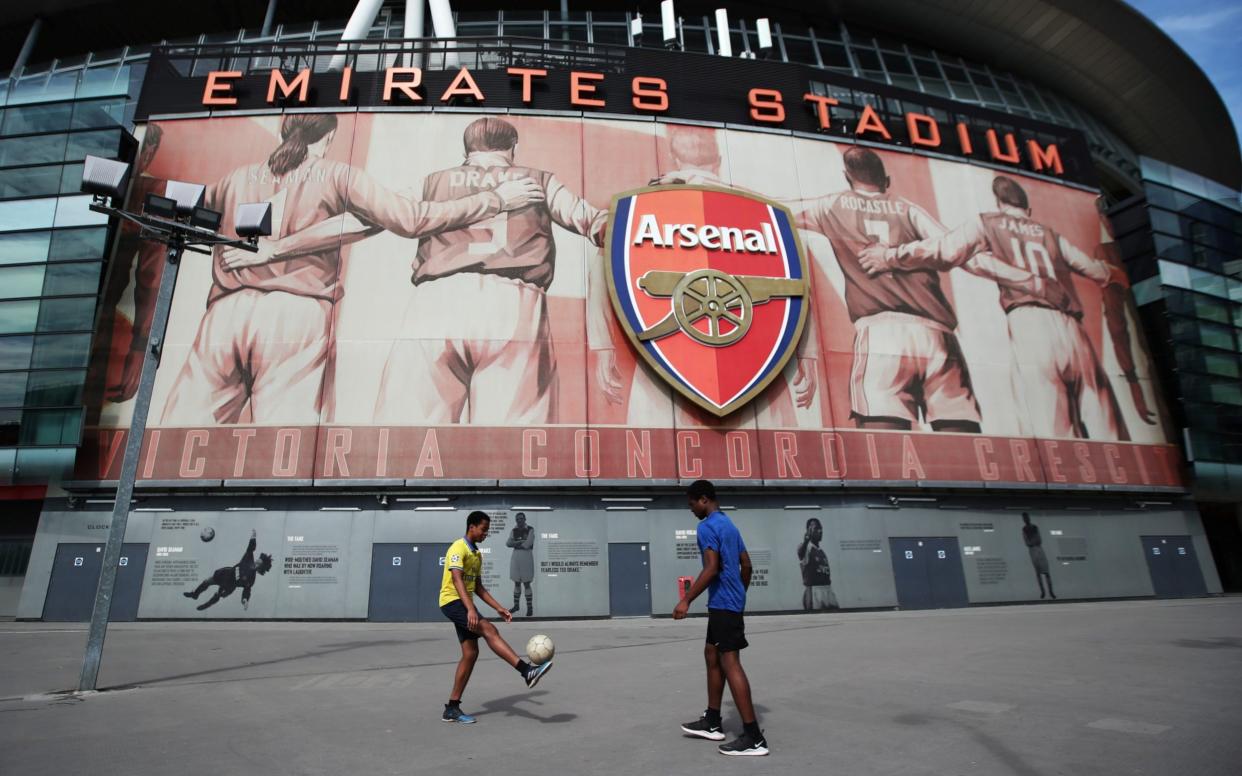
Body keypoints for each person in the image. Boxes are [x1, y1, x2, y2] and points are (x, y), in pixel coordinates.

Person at [159, 113, 544, 425]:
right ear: (328, 138)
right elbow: (410, 219)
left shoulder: (235, 178)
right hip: (297, 313)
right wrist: (493, 200)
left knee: (182, 438)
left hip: (224, 313)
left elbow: (184, 216)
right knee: (282, 444)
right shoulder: (339, 175)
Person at [859, 175, 1132, 440]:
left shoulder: (987, 222)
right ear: (1028, 208)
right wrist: (1119, 274)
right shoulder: (1048, 234)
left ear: (1000, 203)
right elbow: (1094, 269)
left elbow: (945, 250)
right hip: (1072, 326)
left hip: (1029, 322)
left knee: (1052, 425)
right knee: (1104, 418)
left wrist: (890, 255)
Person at [792, 147, 1046, 433]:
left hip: (883, 334)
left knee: (885, 445)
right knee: (961, 437)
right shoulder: (908, 209)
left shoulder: (831, 205)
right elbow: (967, 257)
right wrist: (1028, 280)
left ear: (847, 177)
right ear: (886, 181)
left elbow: (779, 210)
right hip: (938, 336)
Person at [374, 116, 608, 425]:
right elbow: (596, 223)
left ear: (467, 151)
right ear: (514, 148)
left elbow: (388, 212)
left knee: (406, 436)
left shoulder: (432, 181)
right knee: (511, 442)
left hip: (435, 301)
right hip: (514, 304)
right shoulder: (538, 180)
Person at [674, 479, 768, 756]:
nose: (691, 510)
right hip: (727, 603)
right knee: (711, 654)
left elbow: (712, 568)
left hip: (724, 604)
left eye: (692, 504)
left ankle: (754, 738)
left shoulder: (706, 526)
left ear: (703, 500)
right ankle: (713, 721)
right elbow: (747, 564)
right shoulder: (729, 524)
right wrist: (739, 594)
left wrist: (686, 599)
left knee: (731, 663)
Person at [439, 510, 553, 724]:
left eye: (487, 530)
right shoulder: (458, 547)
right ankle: (526, 671)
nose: (485, 534)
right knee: (490, 630)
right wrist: (471, 609)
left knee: (471, 653)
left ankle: (452, 708)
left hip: (463, 603)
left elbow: (478, 587)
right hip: (452, 601)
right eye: (483, 529)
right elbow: (457, 580)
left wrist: (499, 607)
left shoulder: (476, 554)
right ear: (471, 526)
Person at [183, 529, 273, 611]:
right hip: (226, 573)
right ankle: (195, 594)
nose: (257, 562)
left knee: (218, 594)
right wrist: (253, 537)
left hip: (229, 586)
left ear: (260, 568)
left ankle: (207, 604)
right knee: (207, 581)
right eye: (258, 560)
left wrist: (245, 600)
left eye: (259, 563)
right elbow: (251, 548)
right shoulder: (249, 559)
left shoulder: (251, 579)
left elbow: (246, 591)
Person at [797, 517, 839, 610]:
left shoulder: (821, 552)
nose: (820, 531)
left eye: (821, 529)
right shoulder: (806, 548)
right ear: (809, 530)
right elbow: (800, 554)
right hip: (814, 590)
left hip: (828, 589)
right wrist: (805, 541)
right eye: (816, 528)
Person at [506, 512, 535, 616]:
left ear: (525, 519)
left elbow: (528, 544)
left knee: (527, 583)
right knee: (516, 582)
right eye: (517, 519)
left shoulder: (530, 529)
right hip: (516, 557)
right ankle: (516, 606)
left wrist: (516, 543)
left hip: (526, 557)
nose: (519, 521)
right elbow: (508, 543)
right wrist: (519, 542)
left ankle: (529, 608)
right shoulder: (514, 530)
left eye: (521, 518)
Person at [1021, 513, 1056, 600]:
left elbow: (1039, 540)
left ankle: (1051, 591)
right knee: (1038, 573)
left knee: (1046, 572)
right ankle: (1043, 592)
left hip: (1039, 549)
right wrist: (1032, 542)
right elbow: (1026, 542)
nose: (1026, 519)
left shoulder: (1035, 527)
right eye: (1024, 518)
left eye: (1027, 517)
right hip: (1032, 551)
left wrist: (1032, 542)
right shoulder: (1024, 529)